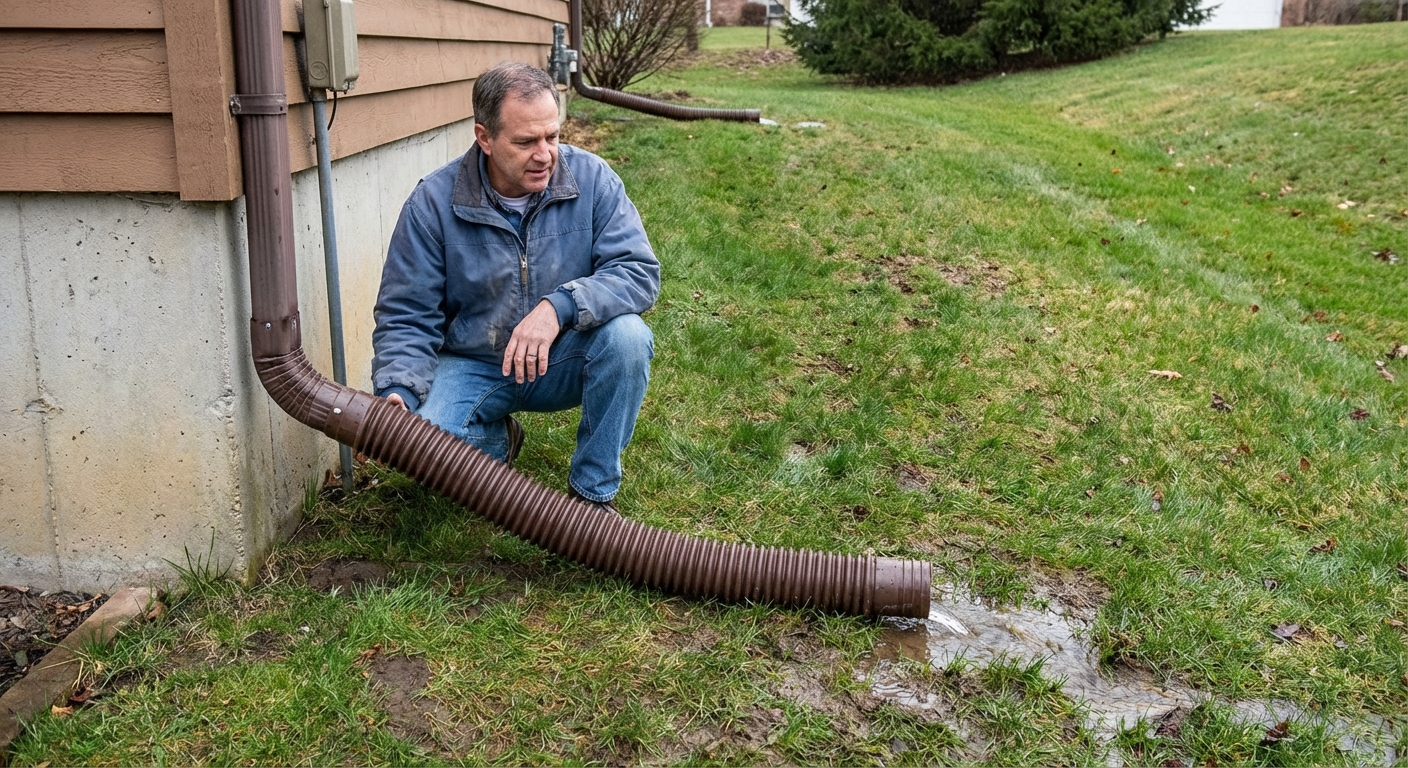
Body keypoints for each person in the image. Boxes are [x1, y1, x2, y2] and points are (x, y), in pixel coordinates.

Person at [371, 62, 660, 512]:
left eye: (553, 136)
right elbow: (407, 312)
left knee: (628, 339)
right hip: (474, 364)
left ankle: (591, 495)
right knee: (416, 448)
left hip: (564, 355)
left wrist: (559, 307)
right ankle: (496, 439)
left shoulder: (593, 180)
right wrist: (398, 390)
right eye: (526, 142)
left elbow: (637, 271)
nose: (545, 154)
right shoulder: (432, 202)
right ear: (484, 138)